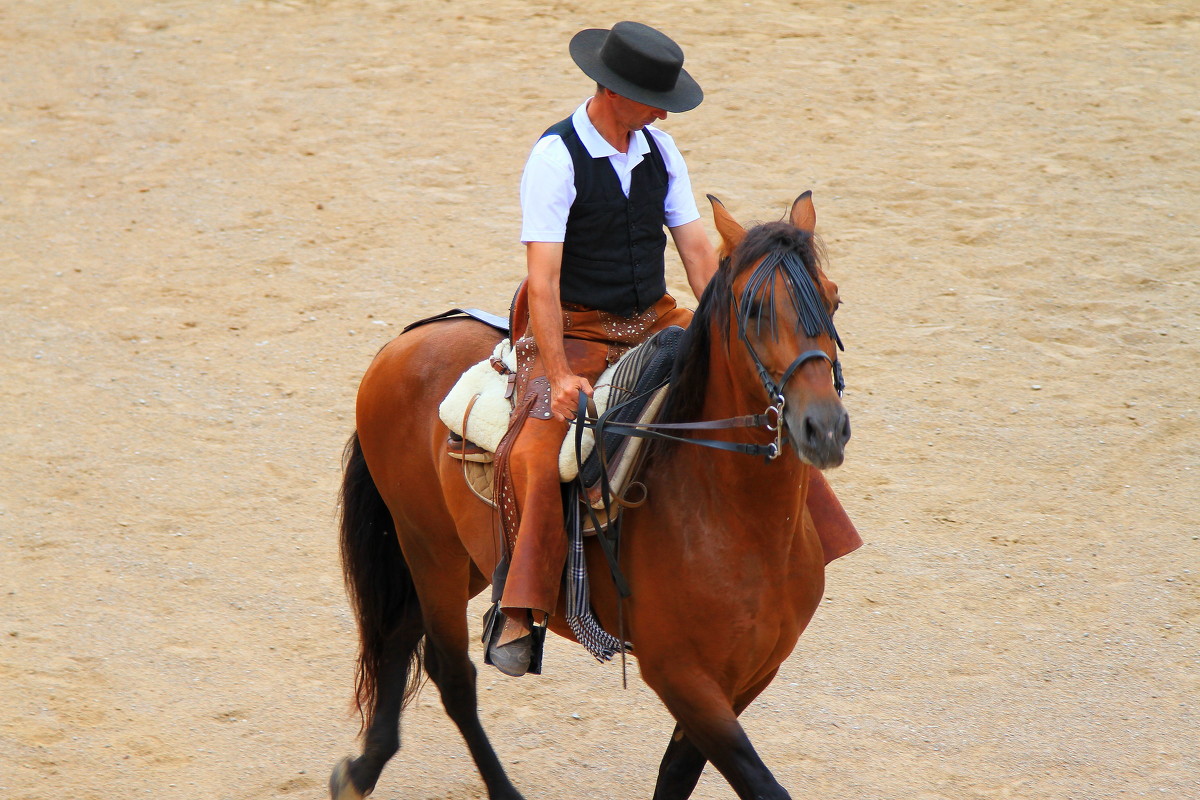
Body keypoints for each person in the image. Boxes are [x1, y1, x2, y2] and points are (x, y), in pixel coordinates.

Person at [487, 21, 718, 676]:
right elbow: (545, 280)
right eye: (654, 96)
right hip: (578, 325)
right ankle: (520, 604)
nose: (666, 110)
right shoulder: (555, 157)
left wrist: (724, 323)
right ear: (612, 91)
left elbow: (698, 253)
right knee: (537, 450)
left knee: (752, 384)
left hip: (654, 316)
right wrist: (558, 374)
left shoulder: (662, 150)